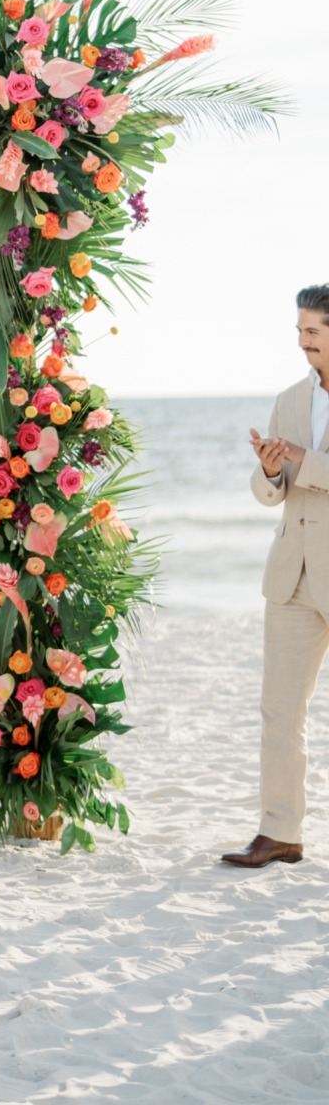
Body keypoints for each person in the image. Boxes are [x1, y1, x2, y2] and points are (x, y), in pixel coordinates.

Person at [222, 286, 329, 869]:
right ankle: (279, 832)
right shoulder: (288, 399)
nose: (301, 340)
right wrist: (269, 470)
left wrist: (299, 460)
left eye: (312, 330)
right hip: (292, 577)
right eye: (299, 329)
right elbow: (272, 493)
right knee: (280, 711)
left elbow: (310, 468)